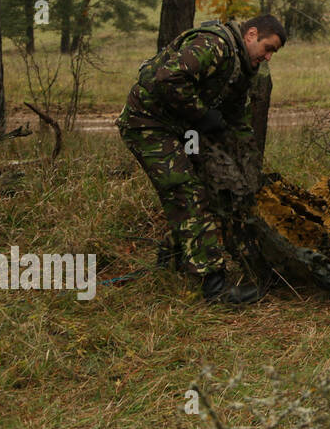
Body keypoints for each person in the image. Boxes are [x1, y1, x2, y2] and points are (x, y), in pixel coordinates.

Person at [117, 15, 286, 303]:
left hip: (179, 128)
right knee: (187, 192)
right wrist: (202, 114)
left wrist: (249, 170)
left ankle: (173, 258)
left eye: (273, 53)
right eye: (267, 48)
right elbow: (165, 79)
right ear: (251, 34)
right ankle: (214, 285)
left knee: (204, 189)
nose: (268, 57)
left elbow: (237, 121)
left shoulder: (242, 68)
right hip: (147, 123)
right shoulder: (214, 45)